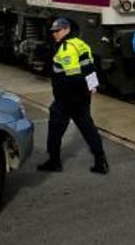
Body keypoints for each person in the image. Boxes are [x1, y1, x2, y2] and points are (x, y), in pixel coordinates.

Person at [37, 17, 109, 174]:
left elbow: (72, 76)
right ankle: (100, 161)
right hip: (83, 96)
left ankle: (54, 161)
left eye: (57, 31)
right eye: (53, 31)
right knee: (88, 128)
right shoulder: (81, 43)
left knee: (55, 127)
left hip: (67, 97)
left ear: (66, 29)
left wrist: (67, 98)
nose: (54, 34)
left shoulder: (66, 48)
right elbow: (90, 66)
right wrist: (92, 87)